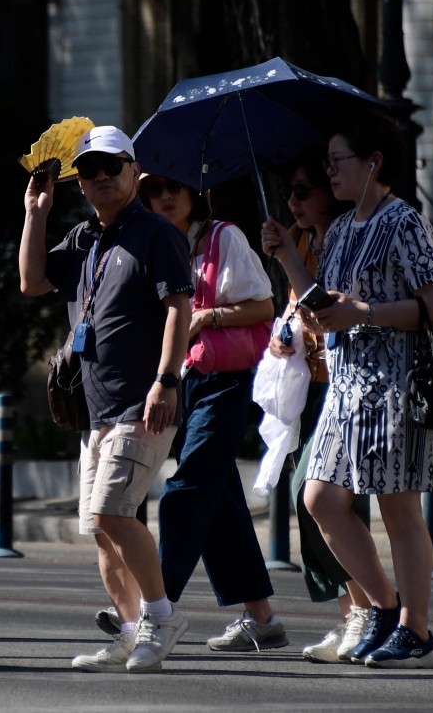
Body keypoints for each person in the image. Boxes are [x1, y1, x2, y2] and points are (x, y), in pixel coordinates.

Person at [262, 109, 433, 669]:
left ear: (373, 164)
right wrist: (289, 258)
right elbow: (326, 307)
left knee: (400, 513)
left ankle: (417, 634)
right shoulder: (343, 228)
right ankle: (386, 609)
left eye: (336, 161)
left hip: (394, 383)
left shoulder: (404, 222)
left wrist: (364, 312)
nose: (330, 171)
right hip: (348, 387)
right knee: (319, 498)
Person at [20, 126, 192, 673]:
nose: (99, 178)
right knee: (99, 528)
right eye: (88, 170)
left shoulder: (156, 234)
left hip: (143, 401)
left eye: (110, 167)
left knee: (113, 512)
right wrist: (36, 211)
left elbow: (178, 310)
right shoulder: (82, 239)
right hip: (95, 407)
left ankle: (162, 620)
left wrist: (166, 380)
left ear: (133, 172)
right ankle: (128, 628)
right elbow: (31, 281)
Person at [139, 172, 286, 652]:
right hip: (178, 380)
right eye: (153, 189)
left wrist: (208, 316)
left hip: (224, 379)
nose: (163, 197)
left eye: (173, 188)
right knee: (219, 501)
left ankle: (152, 606)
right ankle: (261, 618)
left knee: (187, 486)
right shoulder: (156, 243)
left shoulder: (224, 236)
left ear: (192, 194)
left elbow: (264, 304)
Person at [266, 148, 371, 663]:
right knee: (306, 497)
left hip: (348, 385)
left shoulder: (351, 235)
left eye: (303, 191)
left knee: (326, 498)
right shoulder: (304, 239)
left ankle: (374, 612)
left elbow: (333, 308)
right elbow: (297, 305)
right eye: (291, 192)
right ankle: (352, 612)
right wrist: (284, 333)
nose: (294, 201)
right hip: (311, 386)